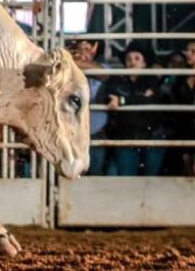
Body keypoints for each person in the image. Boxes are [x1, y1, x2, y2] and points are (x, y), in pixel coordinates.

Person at [102, 41, 161, 176]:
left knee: (151, 180)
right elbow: (110, 99)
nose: (132, 62)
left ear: (144, 63)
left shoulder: (152, 80)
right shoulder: (116, 80)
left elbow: (151, 102)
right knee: (127, 179)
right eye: (129, 59)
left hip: (150, 136)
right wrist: (141, 100)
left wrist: (122, 101)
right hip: (126, 136)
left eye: (137, 58)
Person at [67, 38, 110, 175]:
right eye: (78, 50)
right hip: (72, 132)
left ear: (95, 49)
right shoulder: (68, 70)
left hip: (96, 132)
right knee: (71, 173)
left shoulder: (103, 68)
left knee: (95, 173)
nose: (82, 53)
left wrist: (72, 61)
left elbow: (103, 74)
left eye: (86, 49)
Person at [171, 40, 195, 176]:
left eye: (193, 51)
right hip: (185, 129)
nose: (188, 54)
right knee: (186, 168)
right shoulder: (181, 77)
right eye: (188, 50)